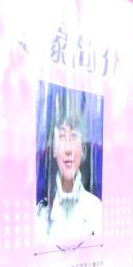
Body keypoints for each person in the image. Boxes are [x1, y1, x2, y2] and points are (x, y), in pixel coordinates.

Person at [36, 97, 102, 241]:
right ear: (53, 149)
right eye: (61, 136)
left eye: (73, 136)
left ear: (83, 148)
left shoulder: (97, 210)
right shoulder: (39, 214)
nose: (68, 149)